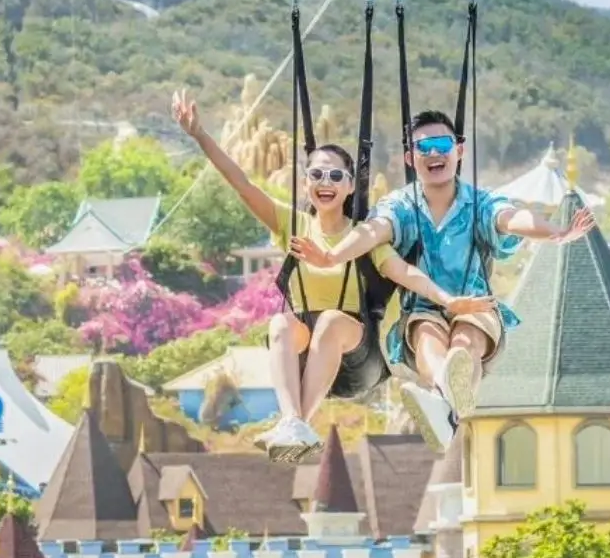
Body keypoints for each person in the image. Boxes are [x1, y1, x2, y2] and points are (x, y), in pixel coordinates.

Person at [172, 90, 495, 463]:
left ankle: (298, 421)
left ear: (350, 186)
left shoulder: (363, 234)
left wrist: (446, 301)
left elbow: (402, 271)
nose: (326, 181)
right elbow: (241, 183)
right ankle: (294, 421)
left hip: (359, 360)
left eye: (336, 175)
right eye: (317, 174)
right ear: (306, 181)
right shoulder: (292, 224)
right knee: (279, 323)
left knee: (329, 321)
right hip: (311, 358)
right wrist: (199, 135)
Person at [290, 109, 593, 426]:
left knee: (465, 340)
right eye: (423, 147)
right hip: (423, 307)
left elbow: (511, 219)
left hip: (475, 304)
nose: (433, 153)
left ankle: (445, 403)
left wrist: (553, 232)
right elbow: (374, 230)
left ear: (458, 150)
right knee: (427, 336)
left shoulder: (479, 203)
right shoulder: (401, 206)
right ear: (410, 157)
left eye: (442, 145)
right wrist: (332, 256)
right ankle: (447, 404)